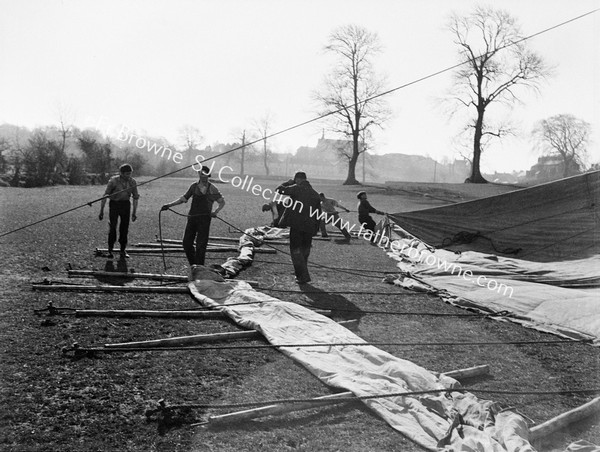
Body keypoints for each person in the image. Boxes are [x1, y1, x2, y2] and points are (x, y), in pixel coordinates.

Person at [161, 165, 225, 267]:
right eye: (200, 173)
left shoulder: (212, 188)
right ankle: (194, 265)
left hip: (204, 219)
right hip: (192, 218)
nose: (202, 176)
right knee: (186, 243)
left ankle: (199, 267)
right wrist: (169, 205)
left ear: (208, 175)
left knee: (201, 245)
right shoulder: (194, 187)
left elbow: (222, 202)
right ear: (198, 174)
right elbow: (183, 199)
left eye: (204, 174)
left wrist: (216, 212)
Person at [276, 171, 321, 284]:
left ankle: (302, 275)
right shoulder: (315, 193)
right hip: (309, 226)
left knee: (295, 250)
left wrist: (288, 182)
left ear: (297, 179)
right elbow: (318, 213)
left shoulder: (296, 188)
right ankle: (302, 273)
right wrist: (316, 228)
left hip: (297, 225)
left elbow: (279, 190)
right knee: (305, 250)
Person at [99, 163, 139, 259]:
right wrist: (101, 211)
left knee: (124, 228)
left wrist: (134, 213)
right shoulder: (113, 181)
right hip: (114, 205)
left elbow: (135, 198)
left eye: (130, 174)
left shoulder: (133, 182)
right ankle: (110, 250)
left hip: (125, 205)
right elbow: (105, 195)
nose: (128, 176)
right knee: (113, 227)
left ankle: (122, 250)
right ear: (121, 173)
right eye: (126, 174)